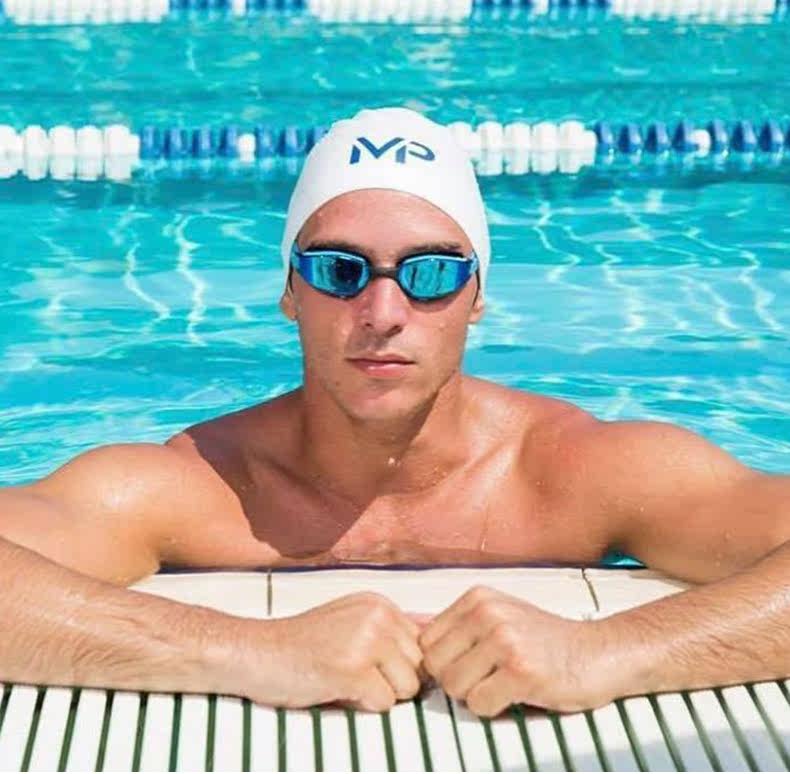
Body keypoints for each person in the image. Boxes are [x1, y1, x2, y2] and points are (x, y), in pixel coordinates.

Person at [1, 108, 788, 718]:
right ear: (290, 292)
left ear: (476, 297)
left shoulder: (584, 474)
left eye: (431, 273)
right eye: (339, 270)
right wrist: (245, 651)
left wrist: (607, 653)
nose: (382, 312)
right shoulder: (193, 487)